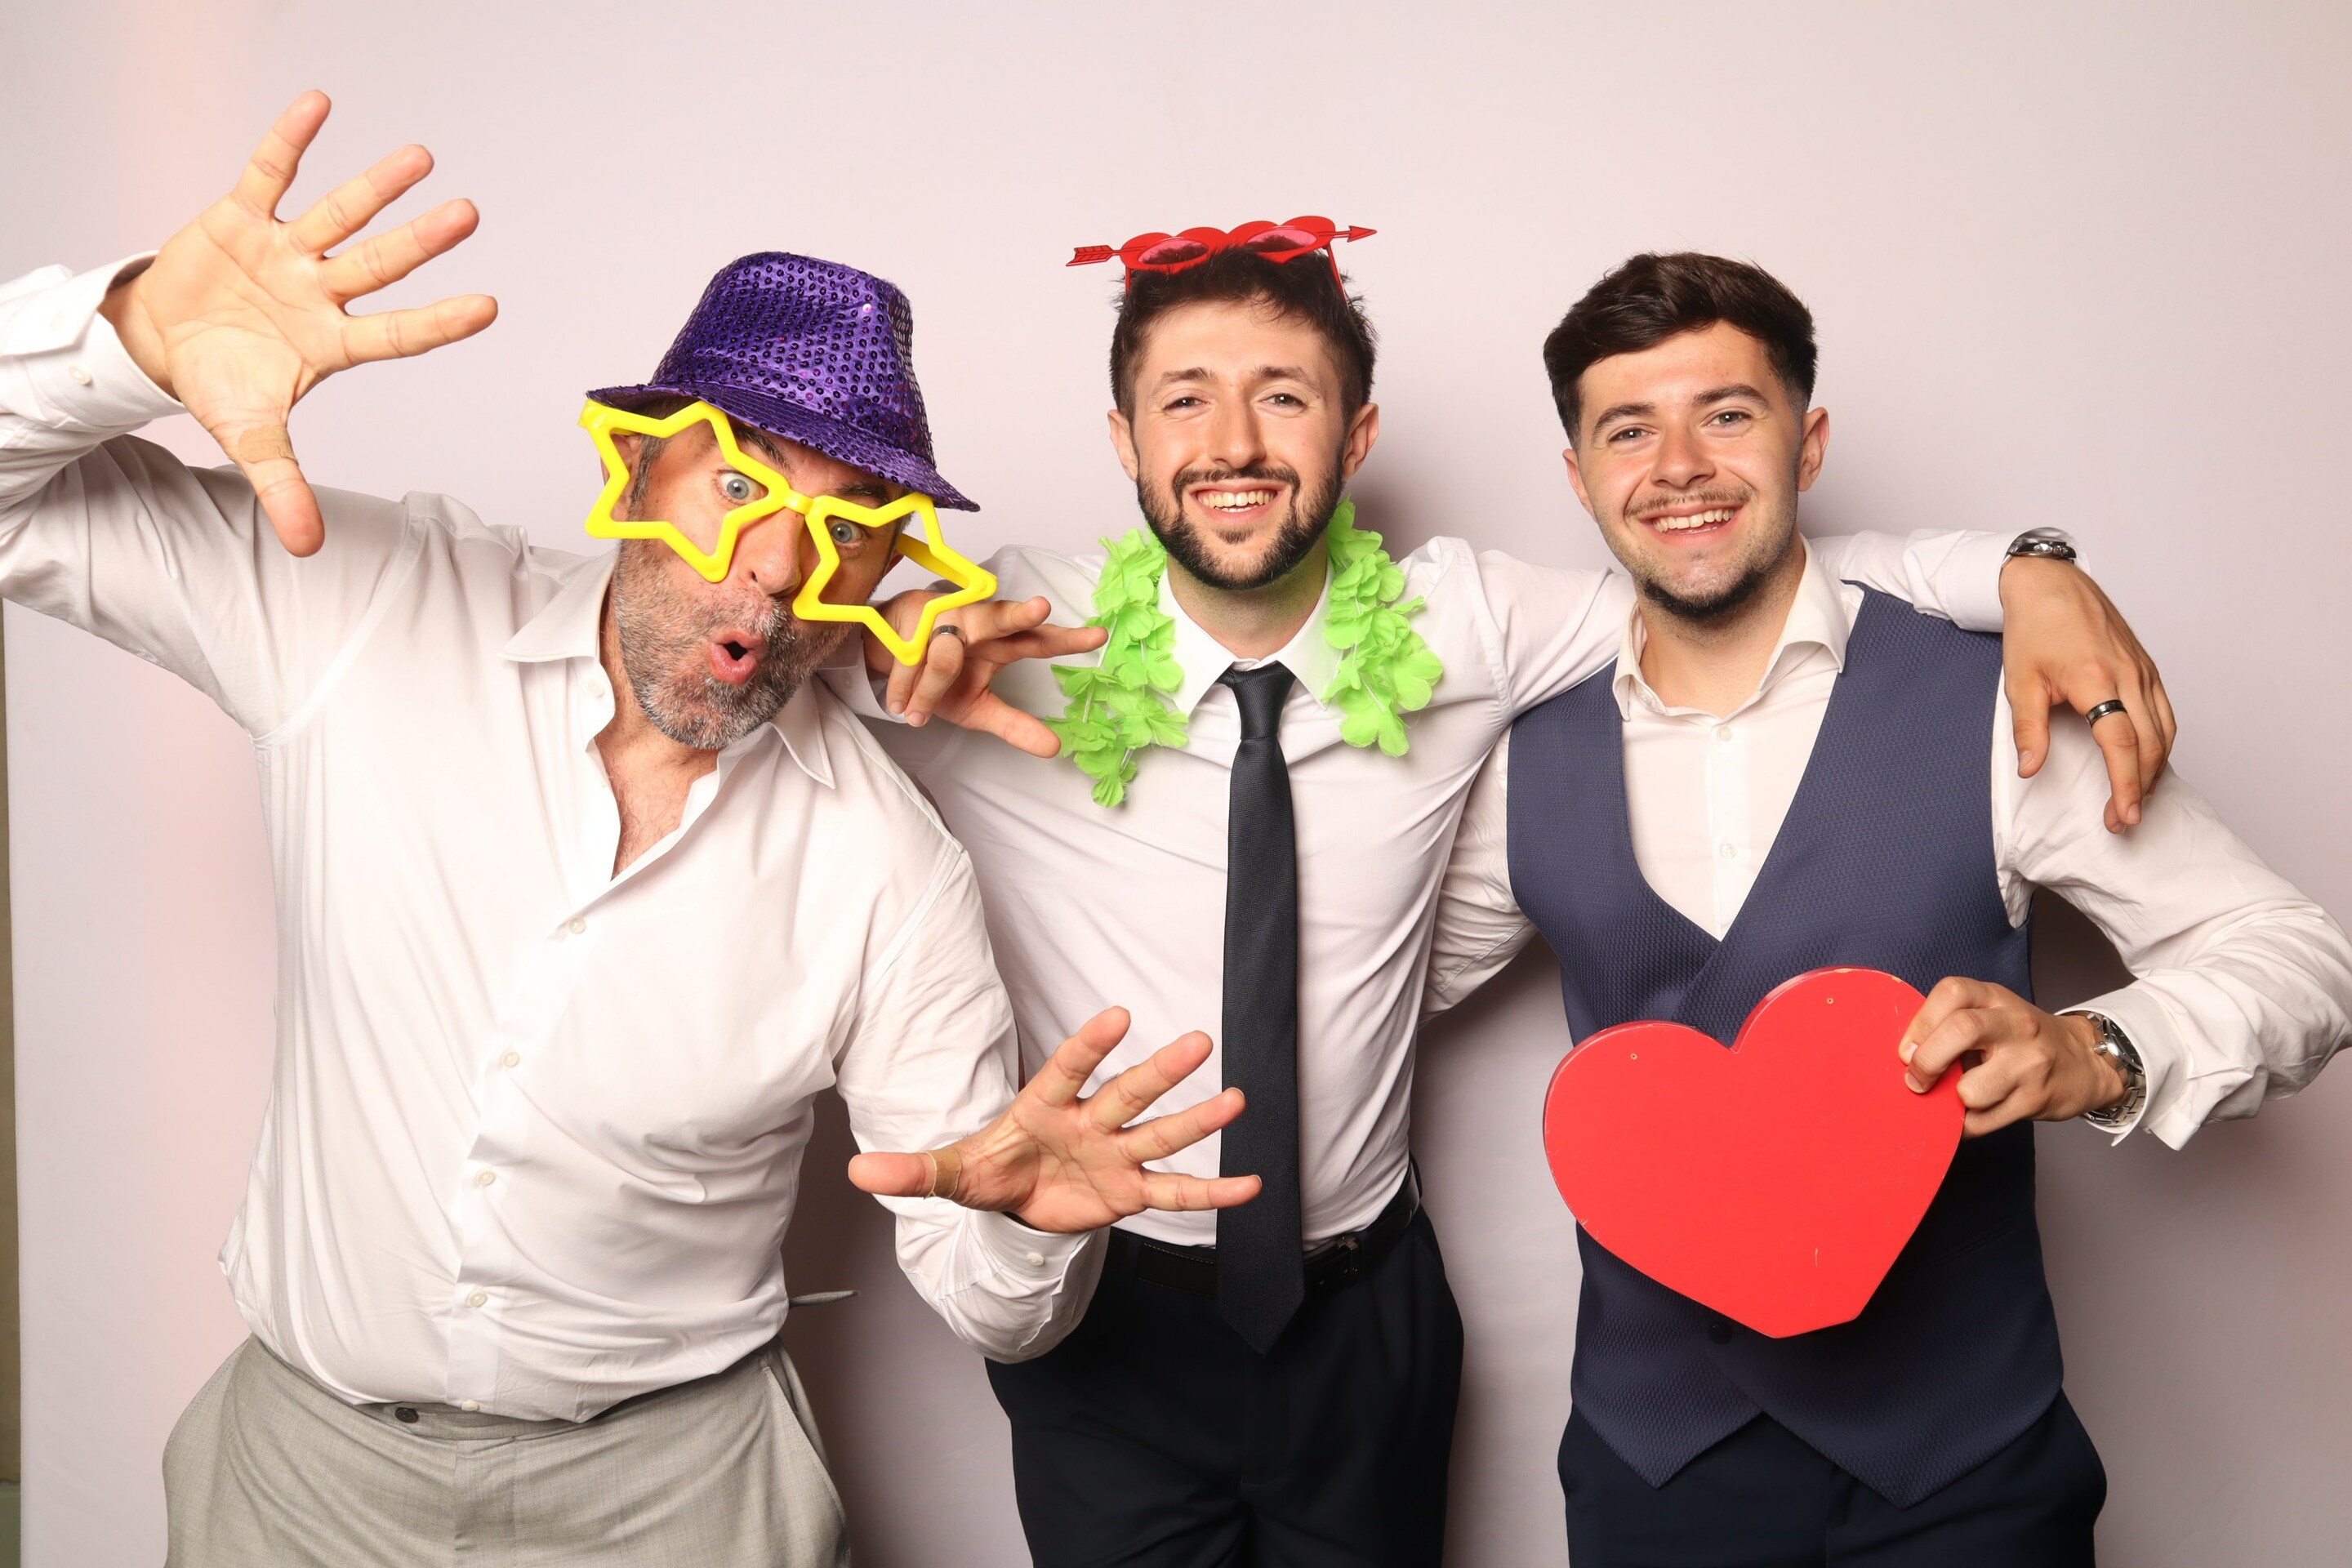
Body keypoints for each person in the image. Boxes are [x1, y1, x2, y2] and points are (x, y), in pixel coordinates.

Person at [0, 93, 1258, 1566]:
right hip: (303, 1484)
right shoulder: (370, 613)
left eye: (847, 524)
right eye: (738, 484)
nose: (777, 568)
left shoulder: (888, 870)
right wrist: (130, 336)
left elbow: (991, 1300)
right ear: (636, 469)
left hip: (680, 1502)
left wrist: (1029, 1227)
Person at [835, 221, 2177, 1565]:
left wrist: (2024, 567)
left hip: (1368, 1304)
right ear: (1124, 440)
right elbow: (766, 647)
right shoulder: (991, 633)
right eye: (1185, 400)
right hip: (1100, 1287)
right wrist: (875, 647)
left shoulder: (1469, 622)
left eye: (1284, 396)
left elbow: (1717, 564)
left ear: (1357, 435)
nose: (1234, 442)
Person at [1423, 251, 2352, 1566]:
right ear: (1580, 477)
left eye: (1727, 414)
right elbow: (1358, 997)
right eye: (1629, 429)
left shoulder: (1994, 707)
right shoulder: (1523, 761)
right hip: (1655, 1466)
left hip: (1966, 1463)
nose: (1679, 464)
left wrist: (2094, 1048)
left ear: (1808, 442)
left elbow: (2296, 953)